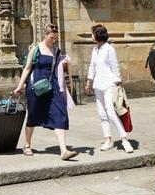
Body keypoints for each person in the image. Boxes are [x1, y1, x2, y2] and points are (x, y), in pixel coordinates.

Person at [14, 24, 79, 160]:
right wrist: (20, 86)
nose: (53, 40)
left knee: (60, 113)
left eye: (55, 38)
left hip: (51, 84)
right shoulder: (36, 49)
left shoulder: (56, 50)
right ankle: (27, 145)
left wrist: (65, 63)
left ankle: (64, 150)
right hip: (36, 84)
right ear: (45, 35)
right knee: (33, 114)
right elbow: (27, 68)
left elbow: (58, 68)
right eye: (51, 37)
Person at [84, 24, 134, 153]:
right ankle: (108, 140)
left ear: (97, 34)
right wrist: (89, 82)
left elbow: (115, 66)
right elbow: (92, 67)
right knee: (102, 114)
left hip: (109, 85)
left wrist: (117, 83)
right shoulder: (95, 50)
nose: (91, 36)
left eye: (92, 33)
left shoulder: (109, 49)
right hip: (98, 85)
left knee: (111, 113)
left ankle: (124, 139)